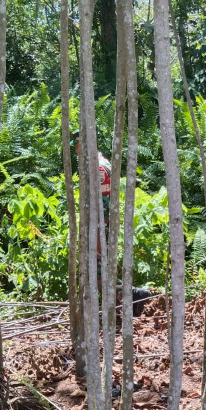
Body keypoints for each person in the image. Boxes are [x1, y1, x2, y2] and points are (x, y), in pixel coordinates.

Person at [71, 130, 150, 316]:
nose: (77, 151)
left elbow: (103, 206)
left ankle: (131, 295)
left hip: (100, 227)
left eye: (77, 146)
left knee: (98, 271)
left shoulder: (98, 168)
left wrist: (98, 234)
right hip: (98, 226)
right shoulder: (97, 164)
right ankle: (120, 305)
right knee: (99, 269)